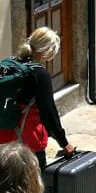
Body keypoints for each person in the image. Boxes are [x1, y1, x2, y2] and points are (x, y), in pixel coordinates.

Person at [0, 27, 75, 170]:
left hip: (3, 136)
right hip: (28, 139)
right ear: (48, 50)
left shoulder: (10, 64)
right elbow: (48, 113)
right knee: (32, 185)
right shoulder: (40, 74)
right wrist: (64, 143)